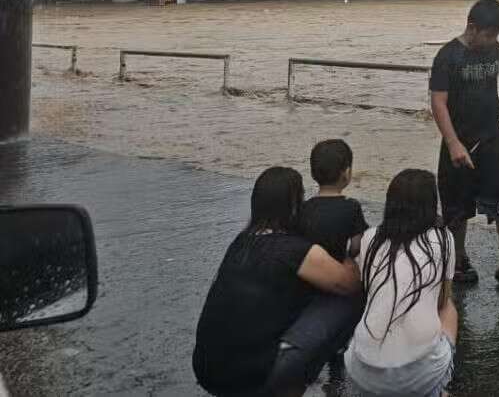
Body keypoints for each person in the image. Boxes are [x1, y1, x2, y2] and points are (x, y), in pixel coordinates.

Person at [193, 166, 364, 397]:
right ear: (294, 205)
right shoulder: (295, 250)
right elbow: (349, 283)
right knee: (350, 299)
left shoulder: (241, 241)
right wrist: (349, 256)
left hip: (207, 371)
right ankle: (301, 380)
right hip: (250, 379)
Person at [429, 0, 499, 293]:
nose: (493, 41)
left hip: (493, 138)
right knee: (456, 205)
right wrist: (453, 143)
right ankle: (459, 259)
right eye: (489, 34)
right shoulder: (447, 56)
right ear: (472, 27)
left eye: (497, 35)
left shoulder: (495, 49)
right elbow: (438, 102)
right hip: (459, 141)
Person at [346, 169, 457, 396]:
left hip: (362, 371)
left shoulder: (370, 238)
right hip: (419, 374)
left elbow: (370, 290)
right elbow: (442, 299)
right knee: (449, 308)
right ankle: (437, 389)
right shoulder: (443, 238)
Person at [300, 139, 369, 262]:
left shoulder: (304, 207)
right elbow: (356, 245)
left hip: (309, 269)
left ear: (312, 173)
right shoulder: (351, 207)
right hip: (338, 266)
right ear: (347, 173)